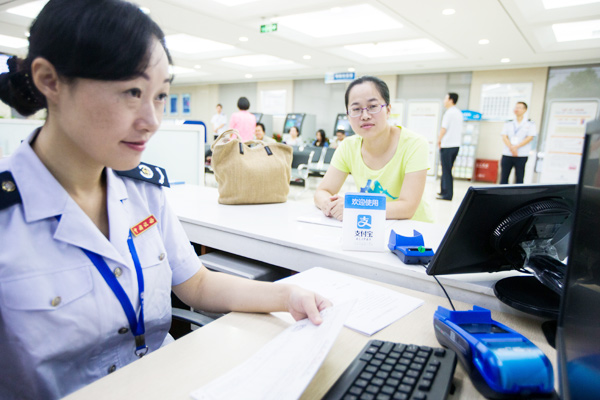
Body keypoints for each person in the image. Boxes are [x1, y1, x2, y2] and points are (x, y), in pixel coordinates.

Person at [0, 1, 330, 399]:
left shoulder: (144, 192)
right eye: (131, 92)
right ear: (50, 81)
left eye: (160, 96)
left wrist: (285, 296)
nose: (152, 120)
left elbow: (198, 285)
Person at [314, 76, 432, 222]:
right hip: (368, 228)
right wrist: (328, 204)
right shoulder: (347, 146)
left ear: (388, 110)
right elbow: (322, 191)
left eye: (373, 106)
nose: (364, 116)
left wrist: (354, 208)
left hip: (412, 233)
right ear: (348, 116)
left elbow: (407, 207)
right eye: (356, 109)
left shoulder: (414, 144)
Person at [500, 101, 537, 184]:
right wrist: (511, 148)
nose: (517, 109)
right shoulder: (508, 122)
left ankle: (517, 195)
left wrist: (516, 147)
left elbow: (530, 137)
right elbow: (504, 136)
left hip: (521, 154)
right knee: (504, 177)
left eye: (519, 107)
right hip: (507, 153)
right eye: (516, 107)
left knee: (519, 177)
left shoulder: (530, 123)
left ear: (525, 110)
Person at [436, 92, 463, 201]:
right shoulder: (458, 113)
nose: (444, 101)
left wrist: (439, 140)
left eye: (445, 98)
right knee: (447, 169)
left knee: (446, 170)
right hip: (456, 145)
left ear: (451, 100)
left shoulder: (449, 113)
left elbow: (444, 128)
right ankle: (444, 190)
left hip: (447, 145)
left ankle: (447, 194)